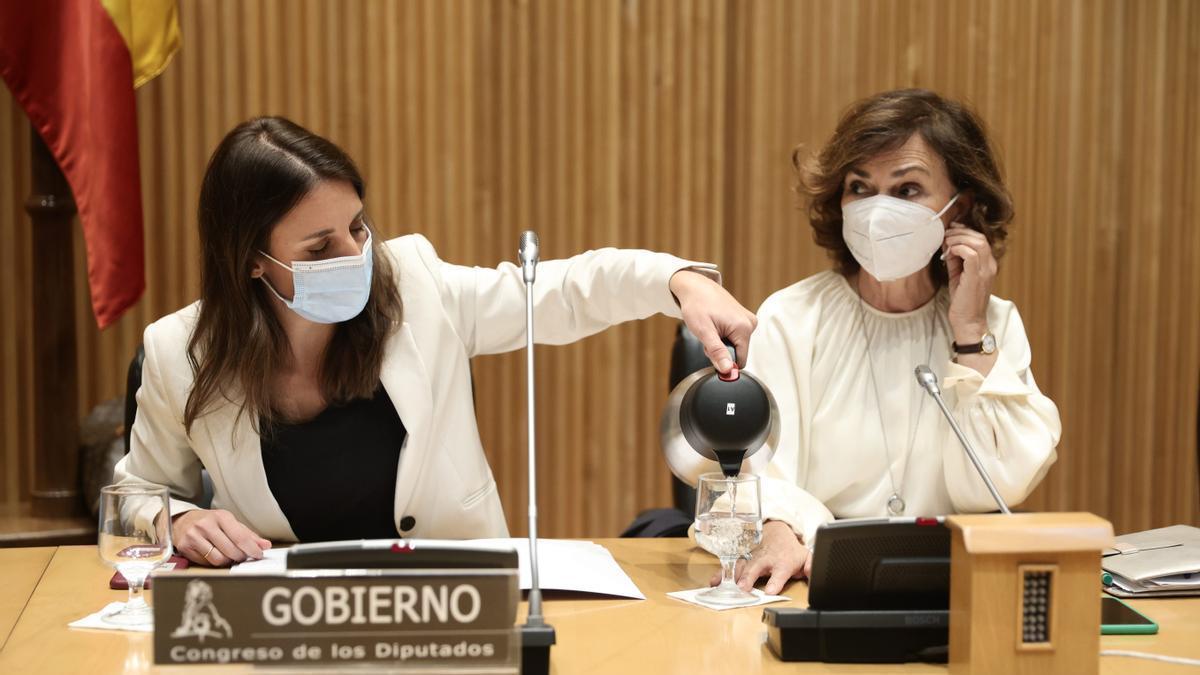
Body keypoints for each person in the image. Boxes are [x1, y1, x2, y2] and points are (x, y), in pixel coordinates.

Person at [114, 116, 757, 567]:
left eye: (358, 227)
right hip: (291, 625)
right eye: (320, 247)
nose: (356, 254)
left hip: (453, 606)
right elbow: (137, 491)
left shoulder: (417, 287)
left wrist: (678, 280)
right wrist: (176, 519)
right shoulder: (179, 352)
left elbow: (562, 291)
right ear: (251, 261)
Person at [730, 89, 1061, 594]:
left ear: (959, 208)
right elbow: (758, 476)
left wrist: (969, 335)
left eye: (906, 190)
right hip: (808, 579)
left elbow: (999, 486)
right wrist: (777, 528)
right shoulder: (792, 317)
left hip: (947, 588)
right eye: (860, 187)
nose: (877, 211)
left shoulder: (994, 322)